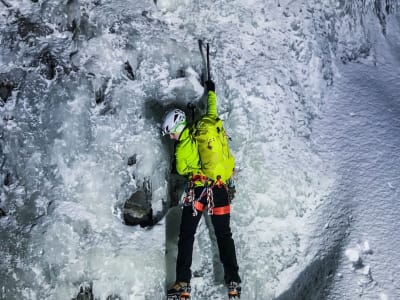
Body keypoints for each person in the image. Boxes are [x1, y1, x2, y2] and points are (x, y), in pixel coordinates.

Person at [162, 80, 241, 299]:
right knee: (224, 234)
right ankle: (233, 282)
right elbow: (213, 109)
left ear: (177, 129)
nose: (171, 137)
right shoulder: (203, 126)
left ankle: (183, 284)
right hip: (219, 188)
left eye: (171, 133)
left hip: (197, 191)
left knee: (187, 235)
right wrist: (212, 92)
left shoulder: (182, 147)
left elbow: (182, 169)